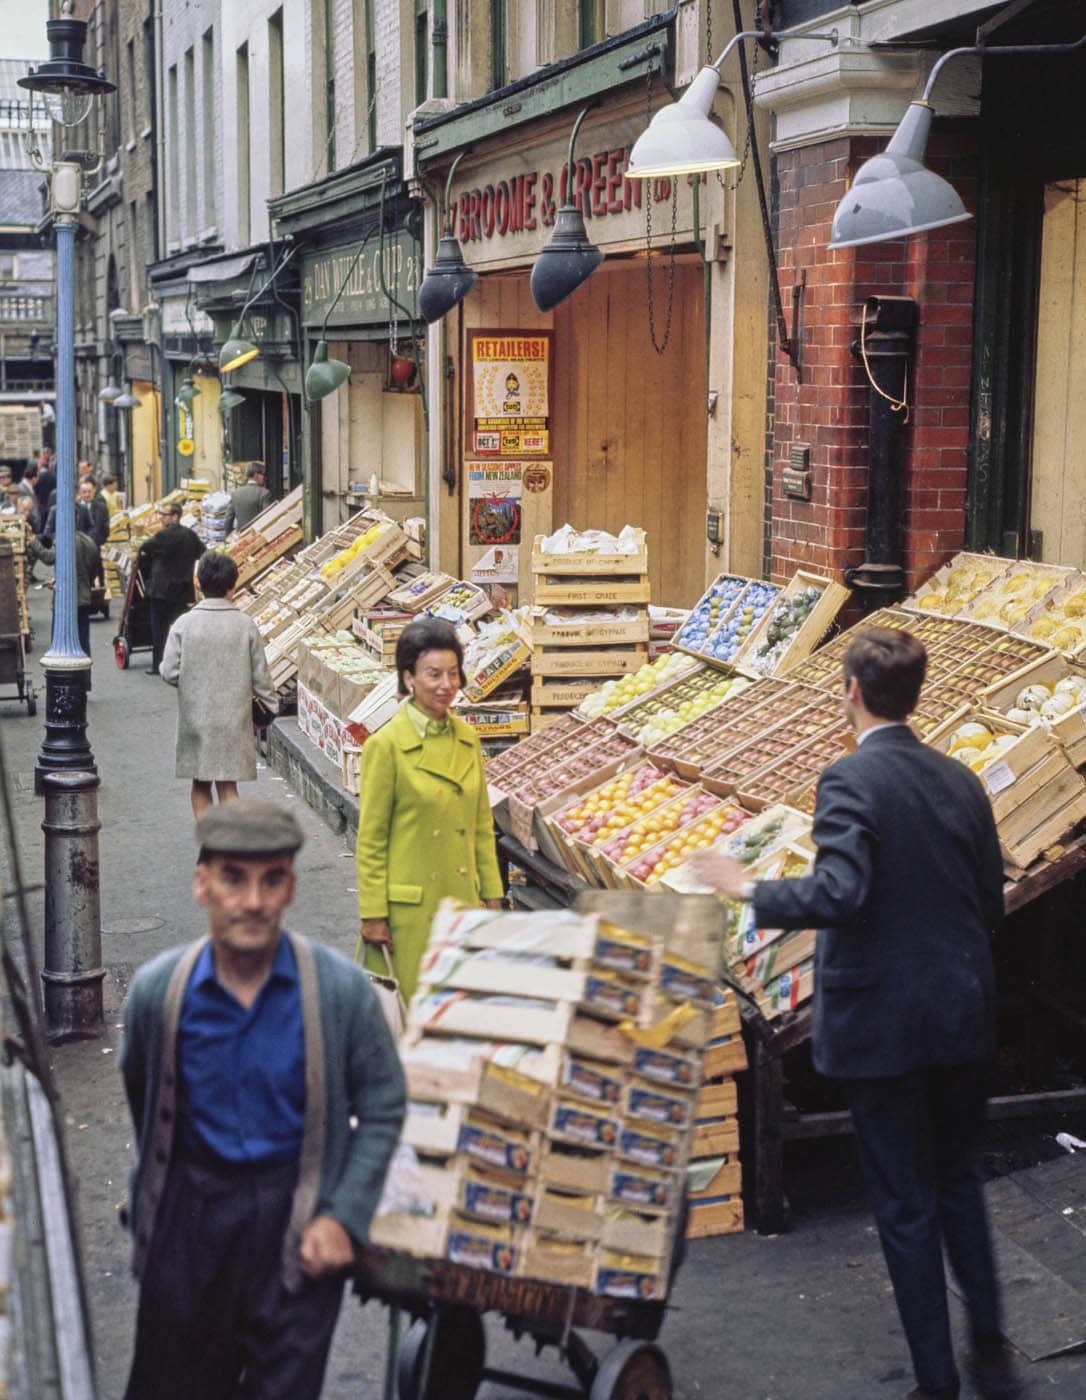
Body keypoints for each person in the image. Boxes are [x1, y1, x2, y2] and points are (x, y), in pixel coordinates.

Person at [692, 628, 1017, 1400]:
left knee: (905, 1208)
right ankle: (994, 1360)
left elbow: (840, 892)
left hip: (885, 1034)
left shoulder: (849, 781)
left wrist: (747, 888)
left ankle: (937, 1384)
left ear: (851, 692)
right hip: (961, 1017)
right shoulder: (959, 778)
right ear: (916, 693)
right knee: (958, 1185)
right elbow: (989, 904)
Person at [120, 799, 406, 1400]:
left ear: (291, 888)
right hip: (190, 1229)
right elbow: (144, 1092)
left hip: (294, 1231)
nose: (252, 901)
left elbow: (383, 1103)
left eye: (270, 880)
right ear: (202, 884)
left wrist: (342, 1216)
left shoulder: (341, 994)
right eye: (233, 878)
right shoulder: (157, 996)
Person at [356, 617, 504, 1002]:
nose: (446, 686)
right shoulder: (386, 746)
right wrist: (373, 914)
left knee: (459, 1025)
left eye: (453, 674)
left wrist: (493, 898)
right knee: (412, 1024)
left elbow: (481, 829)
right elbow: (371, 839)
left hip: (462, 906)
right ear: (409, 679)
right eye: (433, 674)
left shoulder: (468, 739)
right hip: (408, 916)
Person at [160, 551, 278, 819]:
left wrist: (193, 680)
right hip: (233, 718)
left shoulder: (184, 624)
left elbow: (168, 671)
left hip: (196, 717)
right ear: (233, 586)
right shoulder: (245, 625)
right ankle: (231, 848)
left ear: (198, 583)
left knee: (200, 784)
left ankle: (210, 848)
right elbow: (261, 678)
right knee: (228, 786)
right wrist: (268, 709)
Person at [27, 507, 103, 687]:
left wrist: (32, 541)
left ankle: (61, 682)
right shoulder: (89, 542)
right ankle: (85, 682)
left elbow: (48, 557)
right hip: (83, 597)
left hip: (64, 599)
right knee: (83, 642)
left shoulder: (64, 540)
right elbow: (93, 570)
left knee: (59, 643)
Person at [136, 501, 204, 675]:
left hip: (161, 589)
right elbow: (201, 552)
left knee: (159, 629)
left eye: (164, 515)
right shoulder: (190, 535)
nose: (160, 518)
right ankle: (183, 663)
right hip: (182, 590)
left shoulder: (163, 536)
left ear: (175, 516)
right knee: (181, 629)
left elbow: (144, 548)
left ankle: (158, 663)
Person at [224, 461, 273, 535]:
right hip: (258, 536)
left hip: (241, 537)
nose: (265, 478)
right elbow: (268, 517)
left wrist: (228, 535)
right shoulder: (264, 493)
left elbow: (228, 519)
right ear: (256, 475)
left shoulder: (236, 493)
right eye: (263, 474)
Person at [78, 476, 111, 546]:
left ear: (94, 491)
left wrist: (95, 542)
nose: (87, 494)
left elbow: (106, 530)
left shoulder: (102, 508)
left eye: (89, 492)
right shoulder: (74, 508)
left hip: (96, 547)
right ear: (80, 492)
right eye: (84, 492)